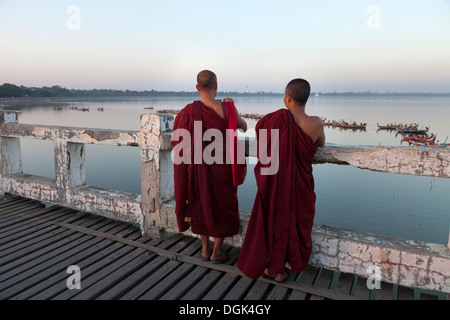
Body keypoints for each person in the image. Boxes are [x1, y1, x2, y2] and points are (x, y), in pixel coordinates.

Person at [237, 78, 325, 282]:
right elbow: (320, 143)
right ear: (307, 98)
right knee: (295, 221)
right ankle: (284, 267)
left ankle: (273, 267)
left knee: (272, 222)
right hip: (300, 185)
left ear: (287, 98)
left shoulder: (272, 120)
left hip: (273, 182)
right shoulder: (316, 123)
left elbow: (262, 141)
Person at [172, 70, 247, 264]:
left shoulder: (186, 112)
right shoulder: (227, 109)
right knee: (223, 205)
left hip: (197, 169)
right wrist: (231, 108)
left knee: (200, 202)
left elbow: (180, 142)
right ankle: (217, 252)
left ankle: (204, 249)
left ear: (197, 88)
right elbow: (244, 126)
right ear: (216, 86)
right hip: (223, 169)